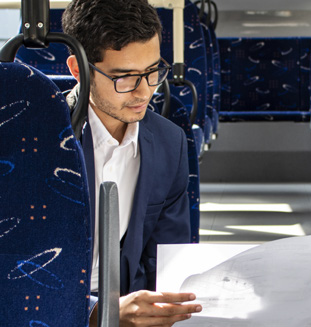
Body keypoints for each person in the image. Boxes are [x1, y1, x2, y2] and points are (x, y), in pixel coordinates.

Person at [61, 0, 200, 325]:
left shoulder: (170, 142)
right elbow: (19, 266)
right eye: (124, 78)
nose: (143, 92)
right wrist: (99, 313)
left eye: (152, 72)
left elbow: (168, 260)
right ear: (78, 69)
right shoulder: (39, 140)